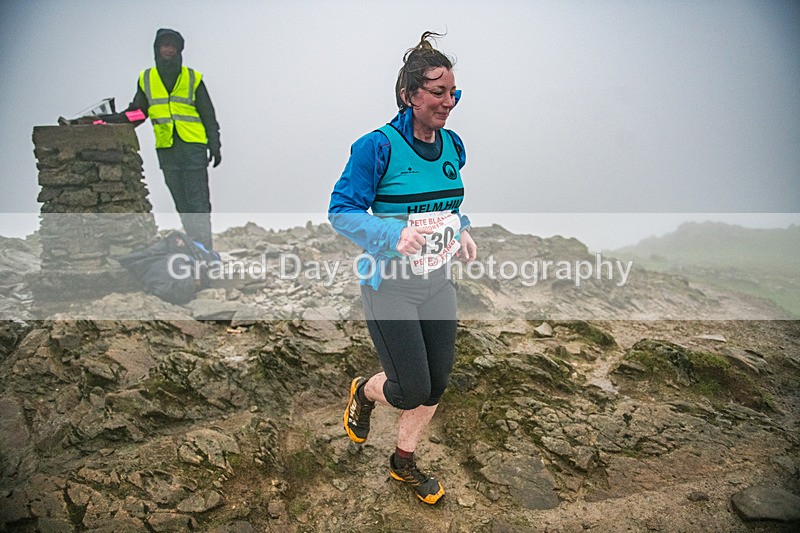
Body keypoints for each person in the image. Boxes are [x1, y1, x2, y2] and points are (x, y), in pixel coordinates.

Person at [328, 31, 477, 505]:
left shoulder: (454, 145)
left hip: (437, 282)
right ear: (408, 95)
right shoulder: (377, 147)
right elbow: (341, 210)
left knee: (436, 383)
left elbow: (448, 206)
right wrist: (392, 235)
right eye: (437, 92)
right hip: (389, 284)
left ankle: (403, 463)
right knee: (409, 387)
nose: (448, 101)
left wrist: (462, 230)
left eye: (452, 92)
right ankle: (364, 391)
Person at [104, 28, 221, 251]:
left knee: (198, 204)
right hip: (167, 150)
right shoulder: (147, 78)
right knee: (182, 202)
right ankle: (196, 247)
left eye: (172, 45)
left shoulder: (193, 78)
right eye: (164, 45)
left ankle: (204, 251)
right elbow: (139, 113)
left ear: (179, 50)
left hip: (193, 148)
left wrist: (215, 145)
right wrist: (109, 120)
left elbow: (208, 114)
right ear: (156, 49)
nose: (168, 49)